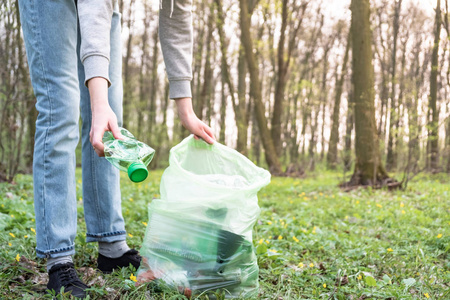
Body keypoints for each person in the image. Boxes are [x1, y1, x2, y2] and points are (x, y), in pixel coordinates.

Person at [18, 0, 215, 298]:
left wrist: (186, 110)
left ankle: (110, 245)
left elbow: (176, 20)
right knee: (61, 111)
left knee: (112, 123)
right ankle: (58, 256)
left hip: (102, 9)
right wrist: (98, 104)